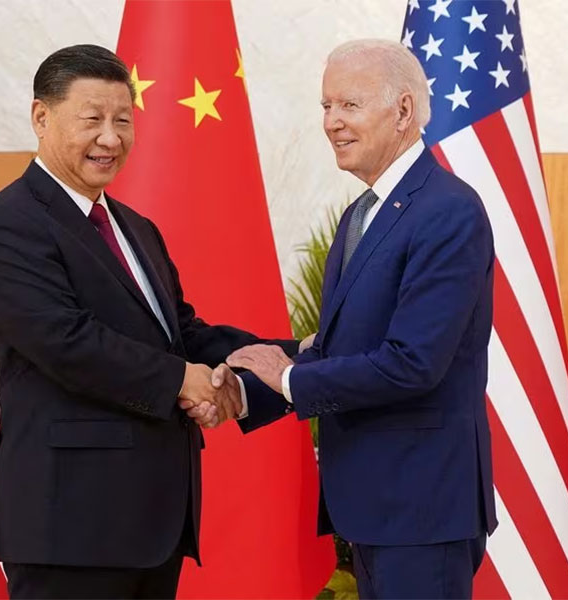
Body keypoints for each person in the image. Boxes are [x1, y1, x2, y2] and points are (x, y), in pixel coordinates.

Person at [0, 44, 294, 599]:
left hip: (153, 522)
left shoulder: (135, 227)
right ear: (41, 117)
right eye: (92, 119)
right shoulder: (10, 223)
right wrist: (181, 380)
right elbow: (66, 342)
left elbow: (180, 333)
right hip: (70, 528)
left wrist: (281, 358)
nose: (111, 138)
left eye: (123, 120)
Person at [222, 39, 498, 599]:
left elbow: (412, 364)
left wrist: (289, 378)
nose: (331, 123)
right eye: (326, 107)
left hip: (422, 510)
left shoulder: (448, 211)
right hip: (376, 506)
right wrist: (247, 391)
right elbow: (340, 346)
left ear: (401, 111)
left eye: (348, 105)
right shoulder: (361, 214)